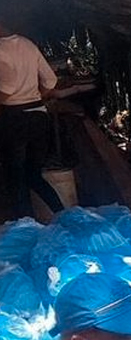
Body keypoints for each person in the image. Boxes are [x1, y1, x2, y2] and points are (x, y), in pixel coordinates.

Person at [0, 17, 64, 220]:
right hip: (39, 116)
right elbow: (50, 81)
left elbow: (6, 90)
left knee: (15, 177)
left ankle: (25, 226)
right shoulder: (28, 44)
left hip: (15, 120)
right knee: (34, 175)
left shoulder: (0, 51)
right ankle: (63, 214)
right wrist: (35, 95)